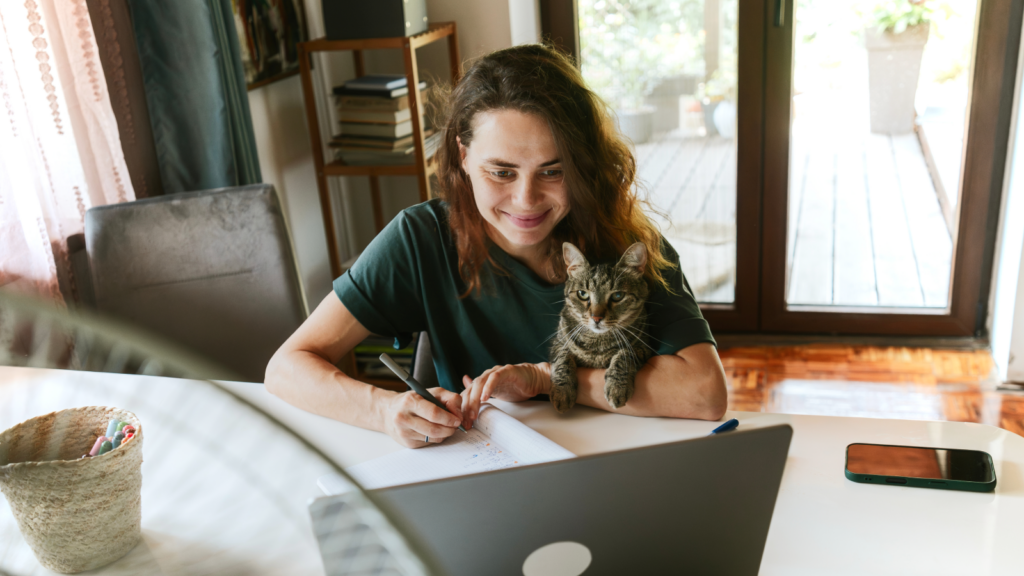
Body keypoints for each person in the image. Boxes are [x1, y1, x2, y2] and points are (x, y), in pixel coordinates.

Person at [265, 44, 728, 449]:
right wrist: (383, 410)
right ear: (464, 157)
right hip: (486, 469)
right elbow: (286, 368)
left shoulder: (624, 242)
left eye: (553, 170)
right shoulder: (421, 238)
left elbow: (704, 393)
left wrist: (545, 377)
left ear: (583, 166)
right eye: (501, 172)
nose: (526, 201)